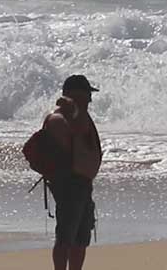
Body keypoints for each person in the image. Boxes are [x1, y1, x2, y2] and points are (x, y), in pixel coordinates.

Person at [45, 75, 103, 270]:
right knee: (66, 237)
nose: (90, 99)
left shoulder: (80, 116)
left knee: (81, 237)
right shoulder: (60, 117)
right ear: (76, 95)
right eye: (87, 94)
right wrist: (73, 109)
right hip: (70, 185)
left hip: (83, 185)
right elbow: (68, 135)